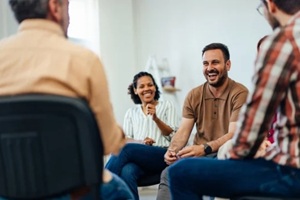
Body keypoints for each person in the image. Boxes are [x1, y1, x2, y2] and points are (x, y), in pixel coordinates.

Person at [0, 0, 133, 199]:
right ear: (55, 7)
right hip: (73, 191)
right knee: (121, 192)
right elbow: (108, 144)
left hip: (8, 191)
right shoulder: (84, 60)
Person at [168, 0, 300, 199]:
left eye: (261, 9)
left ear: (271, 5)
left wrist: (225, 159)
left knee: (181, 171)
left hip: (290, 171)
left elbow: (251, 130)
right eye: (206, 63)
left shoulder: (282, 42)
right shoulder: (194, 94)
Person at [156, 43, 249, 200]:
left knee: (212, 181)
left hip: (222, 155)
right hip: (199, 154)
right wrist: (172, 150)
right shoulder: (194, 95)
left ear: (228, 65)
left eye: (215, 62)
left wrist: (204, 148)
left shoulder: (240, 93)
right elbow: (183, 131)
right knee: (168, 173)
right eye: (206, 63)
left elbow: (233, 134)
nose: (210, 68)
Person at [105, 71, 180, 200]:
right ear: (135, 90)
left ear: (155, 87)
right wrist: (141, 142)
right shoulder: (131, 113)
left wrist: (156, 118)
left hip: (163, 156)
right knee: (127, 171)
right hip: (140, 160)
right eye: (141, 86)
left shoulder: (167, 106)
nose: (146, 89)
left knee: (124, 149)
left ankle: (99, 188)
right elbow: (125, 139)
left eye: (150, 85)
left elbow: (174, 136)